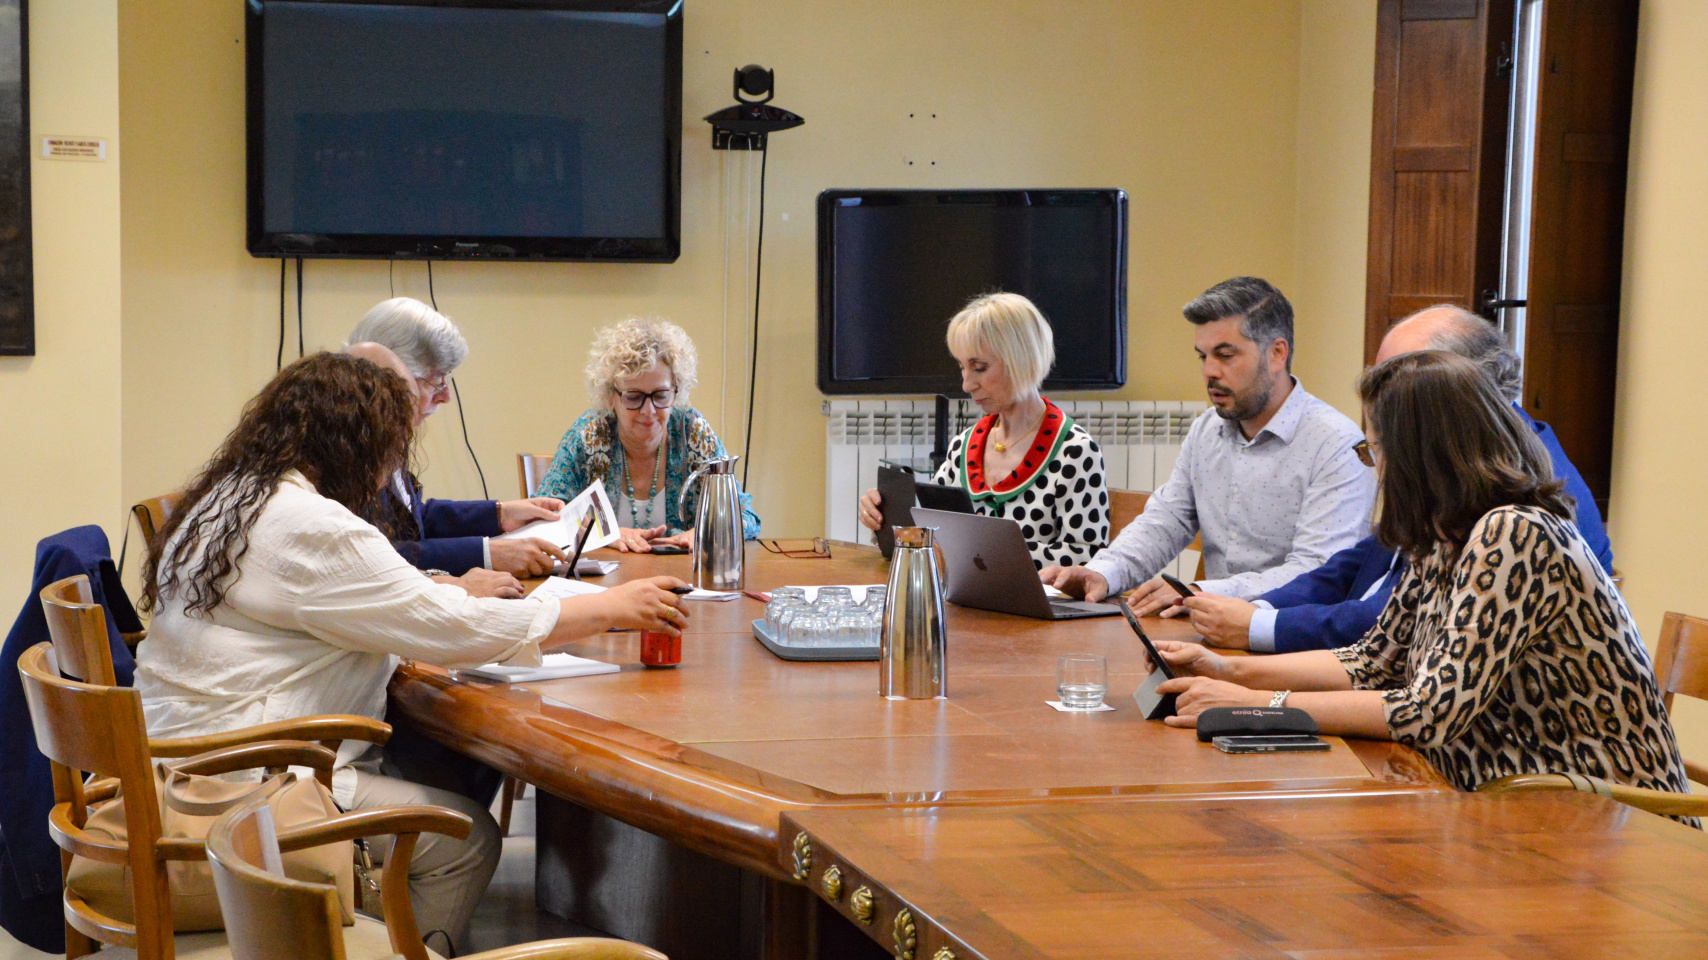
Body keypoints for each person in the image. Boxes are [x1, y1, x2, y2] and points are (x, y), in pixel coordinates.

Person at [135, 353, 694, 949]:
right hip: (253, 779)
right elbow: (456, 628)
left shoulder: (229, 498)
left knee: (444, 762)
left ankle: (369, 915)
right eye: (392, 451)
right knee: (465, 838)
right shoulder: (312, 525)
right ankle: (386, 942)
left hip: (180, 760)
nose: (388, 474)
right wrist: (611, 607)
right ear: (357, 446)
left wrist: (433, 584)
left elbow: (334, 600)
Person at [1147, 350, 1695, 818]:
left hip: (1593, 811)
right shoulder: (1444, 533)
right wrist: (1228, 668)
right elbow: (1373, 660)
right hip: (1499, 794)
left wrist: (1254, 705)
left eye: (1375, 450)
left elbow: (1428, 713)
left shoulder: (1514, 533)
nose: (1375, 467)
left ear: (1421, 456)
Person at [1182, 304, 1615, 653]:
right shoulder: (1460, 462)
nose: (1386, 400)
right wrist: (1252, 614)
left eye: (1402, 382)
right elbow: (1366, 564)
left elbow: (1401, 648)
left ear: (1457, 387)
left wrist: (1258, 630)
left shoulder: (1519, 497)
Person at [1042, 277, 1374, 609]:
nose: (1209, 372)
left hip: (1292, 639)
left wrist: (1199, 593)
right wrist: (1102, 572)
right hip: (1212, 631)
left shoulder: (1336, 445)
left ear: (1276, 354)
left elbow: (1317, 572)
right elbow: (1166, 521)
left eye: (1225, 355)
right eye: (1203, 357)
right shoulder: (1207, 429)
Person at [857, 292, 1110, 568]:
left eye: (979, 368)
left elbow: (1089, 556)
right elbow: (928, 531)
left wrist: (994, 552)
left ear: (1022, 360)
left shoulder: (1075, 451)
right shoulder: (965, 445)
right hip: (965, 603)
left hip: (1029, 609)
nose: (967, 385)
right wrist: (884, 518)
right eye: (962, 367)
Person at [349, 298, 568, 583]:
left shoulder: (383, 432)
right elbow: (371, 555)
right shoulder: (346, 446)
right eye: (436, 381)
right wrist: (487, 553)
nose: (446, 396)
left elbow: (411, 520)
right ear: (389, 375)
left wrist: (500, 515)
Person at [537, 317, 760, 552]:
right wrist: (604, 533)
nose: (649, 411)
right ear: (611, 396)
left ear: (677, 389)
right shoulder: (588, 436)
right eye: (633, 397)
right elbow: (543, 519)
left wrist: (707, 531)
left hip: (684, 582)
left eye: (661, 395)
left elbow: (746, 517)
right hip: (606, 585)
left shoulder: (693, 432)